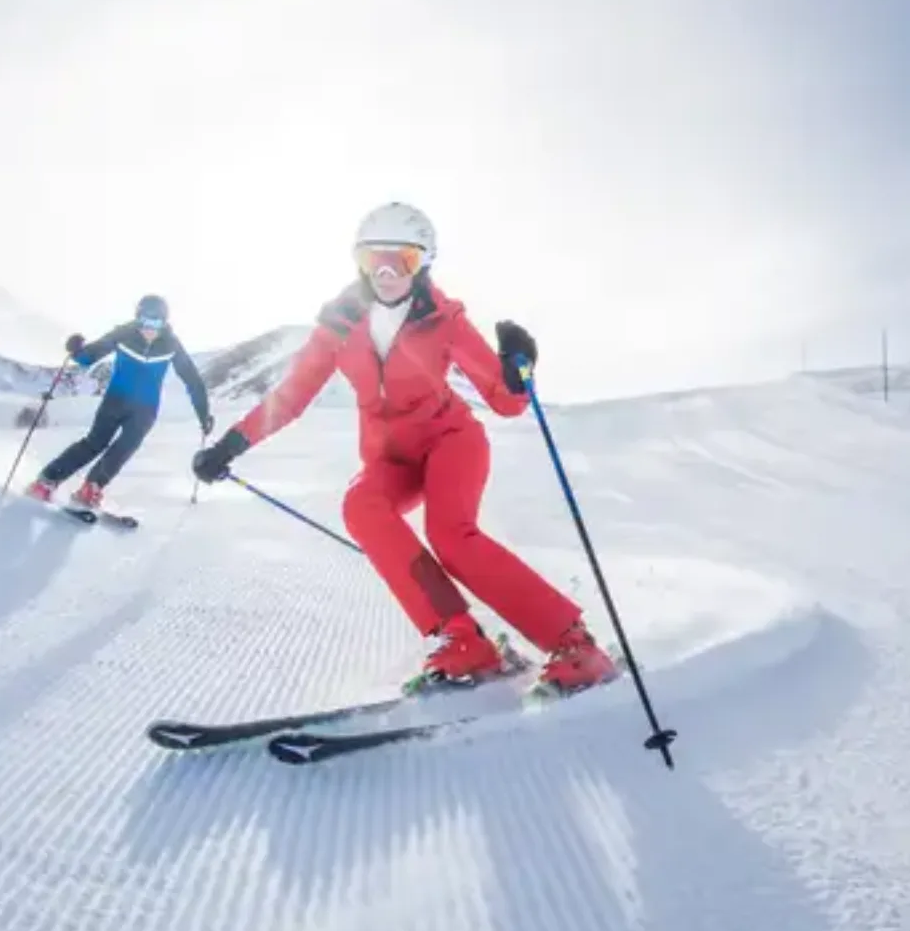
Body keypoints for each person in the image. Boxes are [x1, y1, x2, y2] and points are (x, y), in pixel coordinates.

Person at [190, 202, 620, 694]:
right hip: (391, 457)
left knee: (451, 535)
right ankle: (462, 640)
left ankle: (574, 644)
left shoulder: (446, 320)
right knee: (362, 505)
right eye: (377, 260)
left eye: (405, 261)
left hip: (450, 441)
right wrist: (230, 445)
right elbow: (291, 397)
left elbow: (504, 402)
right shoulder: (337, 327)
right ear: (360, 262)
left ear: (425, 265)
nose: (389, 272)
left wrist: (519, 368)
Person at [27, 294, 214, 510]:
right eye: (145, 321)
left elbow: (193, 380)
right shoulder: (124, 334)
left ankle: (92, 487)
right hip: (115, 399)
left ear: (164, 323)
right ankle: (47, 481)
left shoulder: (171, 345)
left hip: (145, 408)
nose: (150, 328)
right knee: (94, 443)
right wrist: (76, 350)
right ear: (138, 319)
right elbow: (91, 354)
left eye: (156, 322)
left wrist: (204, 414)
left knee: (126, 447)